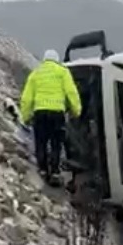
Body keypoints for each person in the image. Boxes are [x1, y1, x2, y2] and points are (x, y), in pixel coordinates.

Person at [19, 49, 82, 186]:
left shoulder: (36, 73)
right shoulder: (63, 72)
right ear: (57, 60)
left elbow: (26, 98)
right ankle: (54, 171)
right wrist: (76, 110)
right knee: (56, 144)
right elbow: (71, 92)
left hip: (40, 113)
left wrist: (26, 116)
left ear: (44, 59)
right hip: (57, 113)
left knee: (41, 142)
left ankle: (42, 170)